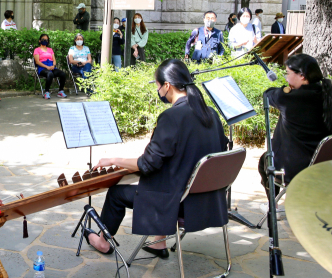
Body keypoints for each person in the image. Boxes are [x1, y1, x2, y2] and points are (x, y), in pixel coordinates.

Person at [85, 59, 228, 257]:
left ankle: (102, 242)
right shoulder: (210, 113)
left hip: (178, 202)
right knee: (164, 179)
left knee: (116, 194)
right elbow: (219, 150)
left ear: (167, 86)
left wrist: (113, 160)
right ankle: (159, 244)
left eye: (158, 85)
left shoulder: (172, 117)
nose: (158, 90)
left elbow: (146, 164)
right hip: (206, 200)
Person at [258, 54, 332, 212]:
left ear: (302, 76)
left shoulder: (289, 98)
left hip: (296, 169)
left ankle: (274, 207)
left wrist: (286, 89)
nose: (286, 77)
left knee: (265, 160)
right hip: (324, 166)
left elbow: (268, 94)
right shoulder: (326, 93)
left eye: (288, 73)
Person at [34, 34, 67, 99]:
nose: (45, 40)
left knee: (63, 74)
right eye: (43, 39)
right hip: (42, 68)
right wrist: (47, 67)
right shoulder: (37, 50)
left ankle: (60, 91)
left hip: (51, 67)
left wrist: (53, 65)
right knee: (50, 74)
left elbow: (54, 60)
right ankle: (46, 92)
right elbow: (37, 62)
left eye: (46, 39)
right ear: (40, 40)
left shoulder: (50, 49)